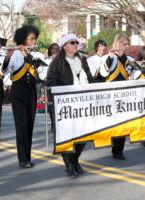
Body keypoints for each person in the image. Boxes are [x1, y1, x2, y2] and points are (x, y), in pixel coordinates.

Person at [46, 33, 94, 178]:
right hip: (64, 106)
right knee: (67, 137)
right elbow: (50, 83)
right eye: (72, 42)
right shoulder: (57, 63)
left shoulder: (83, 60)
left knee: (83, 135)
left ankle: (75, 160)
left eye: (76, 42)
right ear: (65, 46)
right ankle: (69, 165)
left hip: (83, 104)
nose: (75, 45)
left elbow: (90, 79)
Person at [2, 25, 42, 168]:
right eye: (31, 39)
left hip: (31, 92)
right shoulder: (15, 54)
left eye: (34, 39)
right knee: (22, 124)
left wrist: (29, 57)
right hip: (18, 91)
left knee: (30, 124)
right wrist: (7, 57)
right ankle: (22, 159)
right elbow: (4, 71)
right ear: (23, 39)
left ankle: (28, 157)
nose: (33, 41)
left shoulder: (37, 54)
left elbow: (41, 72)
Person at [99, 34, 139, 160]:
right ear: (116, 44)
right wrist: (111, 57)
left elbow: (134, 73)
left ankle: (118, 150)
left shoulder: (129, 59)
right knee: (112, 123)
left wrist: (123, 57)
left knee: (123, 123)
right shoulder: (107, 57)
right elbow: (103, 73)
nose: (126, 47)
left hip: (125, 95)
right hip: (110, 95)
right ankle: (113, 145)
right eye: (123, 44)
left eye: (127, 44)